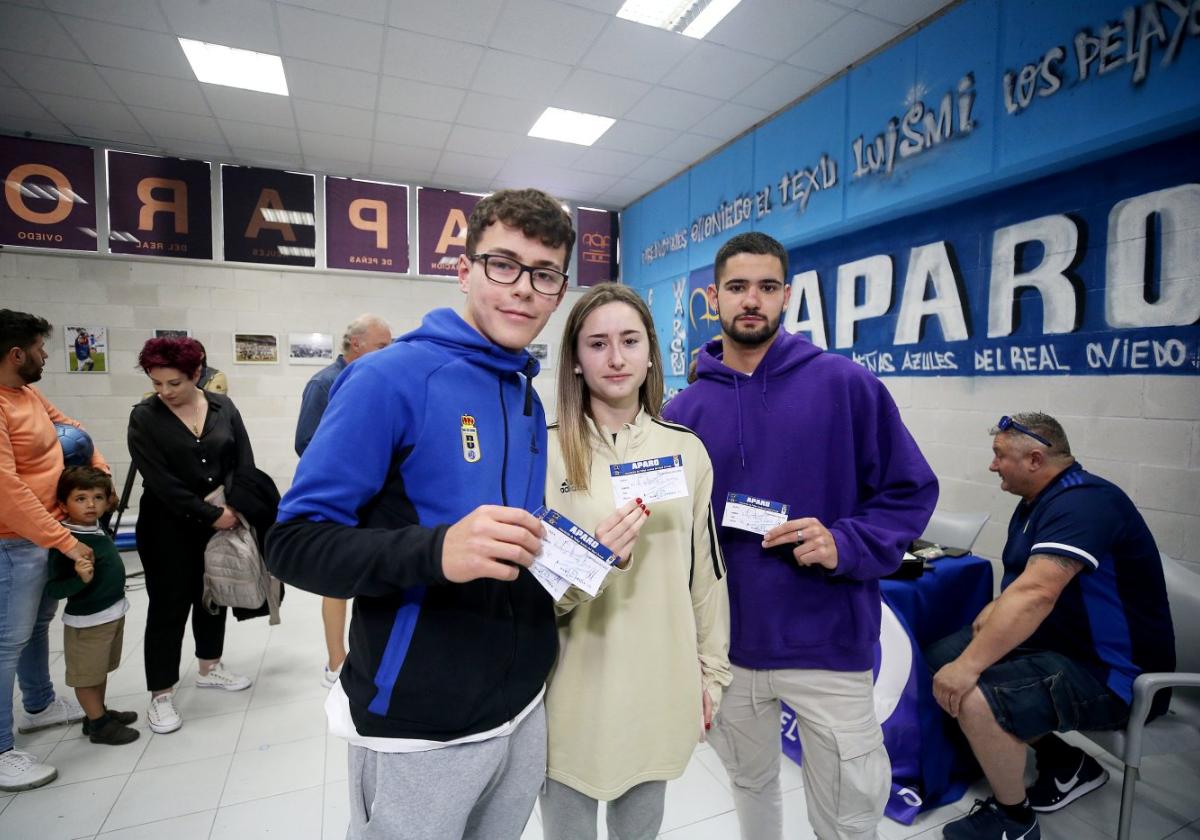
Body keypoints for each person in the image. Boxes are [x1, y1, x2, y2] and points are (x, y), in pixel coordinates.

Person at [266, 188, 574, 840]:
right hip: (418, 719)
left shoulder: (522, 390)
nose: (523, 289)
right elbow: (292, 542)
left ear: (558, 291)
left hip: (521, 702)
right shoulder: (389, 377)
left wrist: (579, 555)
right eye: (503, 265)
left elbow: (511, 537)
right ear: (463, 271)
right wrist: (435, 553)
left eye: (544, 274)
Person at [662, 232, 938, 840]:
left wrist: (848, 543)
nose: (751, 300)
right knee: (750, 788)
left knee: (847, 813)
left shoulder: (845, 385)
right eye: (737, 288)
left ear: (787, 296)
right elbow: (667, 533)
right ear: (714, 299)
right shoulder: (681, 412)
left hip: (827, 642)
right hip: (728, 649)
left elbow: (909, 491)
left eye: (766, 287)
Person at [540, 283, 731, 839]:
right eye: (597, 344)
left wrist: (710, 675)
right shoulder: (545, 451)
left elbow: (706, 576)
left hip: (659, 687)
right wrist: (592, 560)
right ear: (575, 360)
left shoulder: (687, 450)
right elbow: (531, 595)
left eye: (629, 340)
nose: (616, 358)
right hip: (571, 692)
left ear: (651, 351)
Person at [927, 413, 1175, 840]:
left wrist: (970, 668)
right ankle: (1067, 763)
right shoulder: (1037, 500)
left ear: (1036, 459)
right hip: (1062, 647)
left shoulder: (1085, 502)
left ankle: (1014, 823)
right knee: (943, 656)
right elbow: (1026, 583)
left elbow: (1038, 592)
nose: (992, 465)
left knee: (975, 693)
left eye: (999, 456)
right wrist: (993, 617)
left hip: (1116, 676)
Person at [128, 337, 256, 735]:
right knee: (169, 605)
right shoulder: (145, 417)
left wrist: (232, 506)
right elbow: (160, 481)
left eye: (174, 383)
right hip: (167, 525)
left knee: (212, 595)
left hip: (221, 516)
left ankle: (209, 666)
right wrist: (211, 514)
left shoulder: (223, 407)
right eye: (157, 383)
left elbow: (241, 460)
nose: (164, 392)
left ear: (197, 374)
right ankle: (161, 693)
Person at [0, 310, 98, 791]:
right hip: (10, 542)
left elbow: (71, 427)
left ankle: (38, 704)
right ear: (16, 354)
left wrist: (95, 466)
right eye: (40, 349)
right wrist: (66, 540)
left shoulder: (27, 393)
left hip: (38, 536)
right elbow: (7, 490)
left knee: (35, 626)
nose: (44, 356)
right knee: (4, 644)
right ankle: (0, 750)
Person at [294, 314, 393, 689]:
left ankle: (370, 655)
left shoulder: (379, 381)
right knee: (336, 585)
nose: (389, 352)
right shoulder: (323, 384)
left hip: (376, 499)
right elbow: (306, 443)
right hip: (341, 499)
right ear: (356, 344)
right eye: (382, 346)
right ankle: (336, 661)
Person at [45, 467, 138, 746]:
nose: (90, 505)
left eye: (97, 498)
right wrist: (79, 580)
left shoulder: (95, 524)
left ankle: (97, 713)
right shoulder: (66, 541)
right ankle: (98, 725)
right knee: (87, 676)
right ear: (63, 504)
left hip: (111, 614)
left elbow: (108, 501)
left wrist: (109, 494)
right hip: (87, 623)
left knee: (100, 671)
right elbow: (53, 588)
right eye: (81, 498)